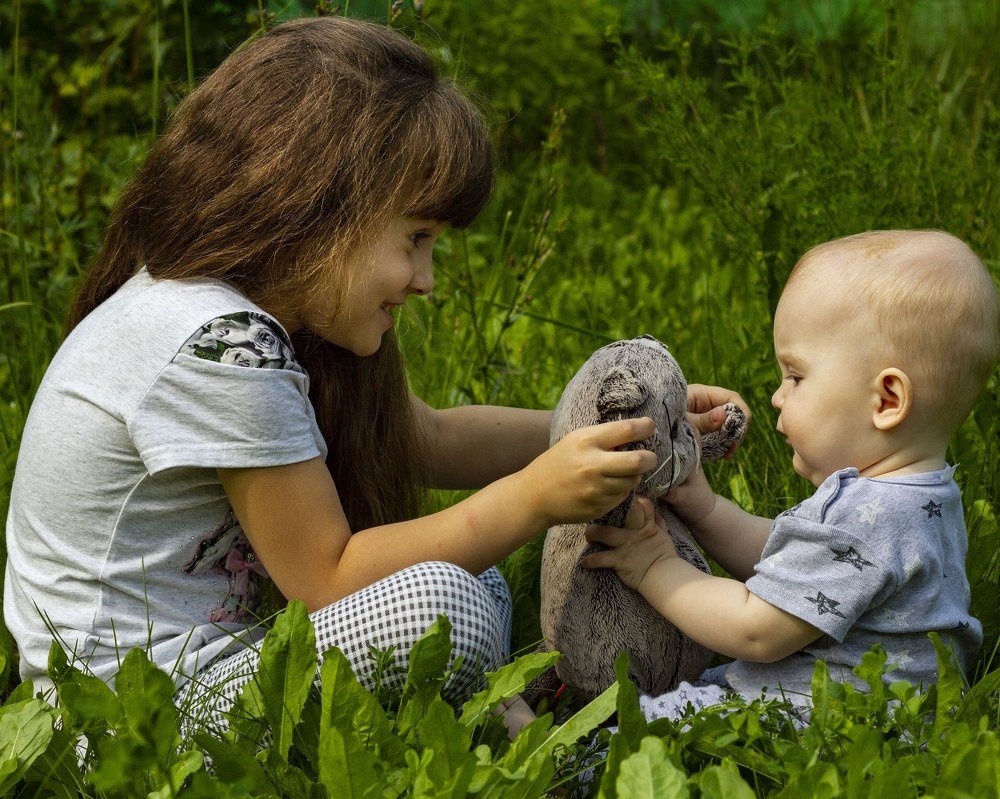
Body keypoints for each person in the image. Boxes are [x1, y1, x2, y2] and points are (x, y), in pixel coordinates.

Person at [3, 16, 746, 738]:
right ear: (316, 207)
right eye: (415, 237)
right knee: (446, 601)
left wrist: (610, 431)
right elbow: (326, 577)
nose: (425, 279)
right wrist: (532, 497)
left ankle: (496, 722)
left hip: (203, 671)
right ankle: (512, 727)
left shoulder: (237, 312)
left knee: (464, 576)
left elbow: (426, 437)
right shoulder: (216, 341)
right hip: (128, 720)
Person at [584, 229, 998, 720]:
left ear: (886, 401)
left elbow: (755, 629)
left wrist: (654, 567)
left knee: (649, 734)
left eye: (796, 376)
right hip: (873, 725)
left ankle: (560, 761)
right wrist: (709, 510)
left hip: (808, 724)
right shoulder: (921, 498)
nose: (779, 396)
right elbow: (796, 567)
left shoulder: (870, 516)